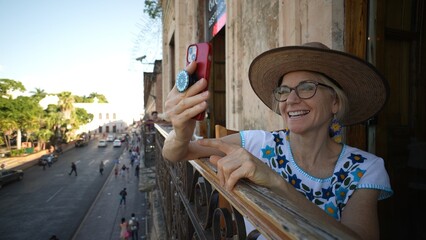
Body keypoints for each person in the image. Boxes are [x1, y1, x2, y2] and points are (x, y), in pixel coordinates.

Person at [162, 42, 393, 239]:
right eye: (283, 90)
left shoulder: (365, 169)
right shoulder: (258, 144)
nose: (290, 100)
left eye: (306, 88)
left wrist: (277, 183)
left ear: (335, 102)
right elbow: (176, 153)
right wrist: (181, 132)